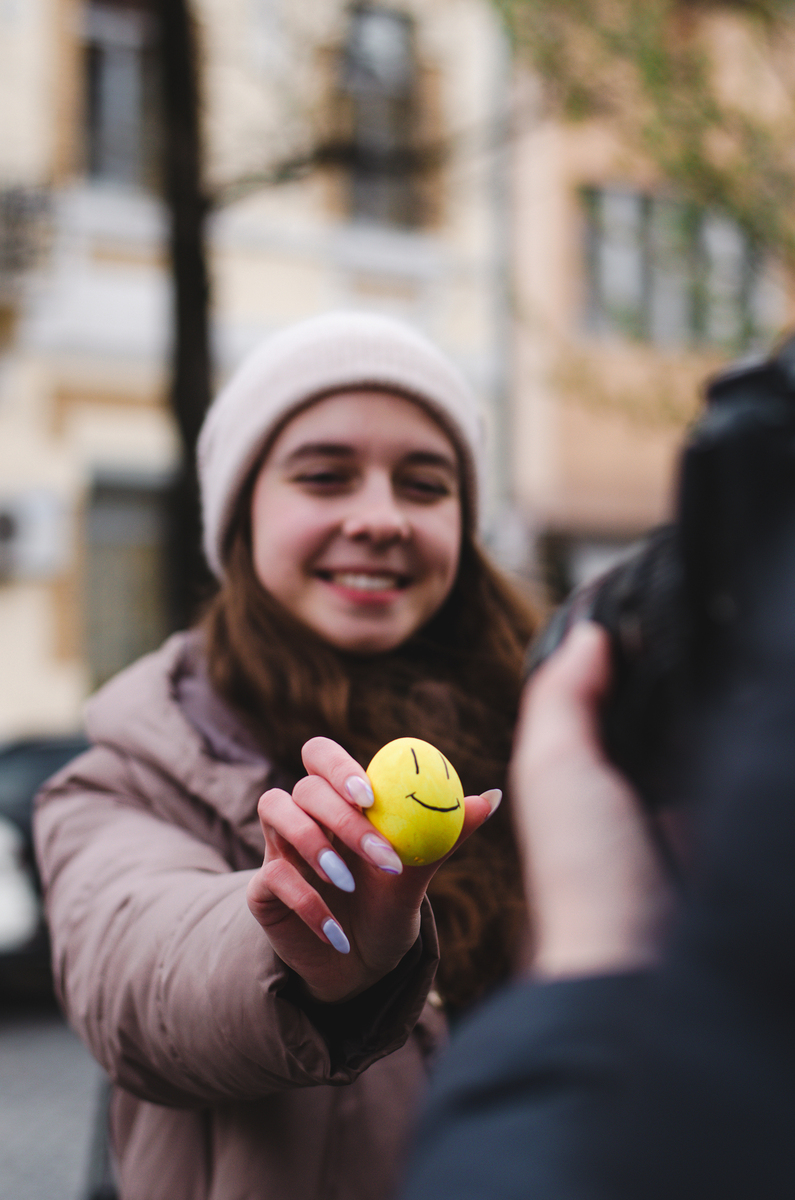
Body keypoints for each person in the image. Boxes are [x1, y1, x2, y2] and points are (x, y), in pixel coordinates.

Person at [34, 311, 536, 1200]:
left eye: (423, 485)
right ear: (242, 511)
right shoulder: (129, 770)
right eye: (324, 476)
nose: (380, 518)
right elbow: (135, 983)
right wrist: (300, 959)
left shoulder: (562, 736)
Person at [401, 617, 795, 1199]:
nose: (379, 523)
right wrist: (311, 961)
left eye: (427, 514)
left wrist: (593, 949)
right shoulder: (220, 748)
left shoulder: (538, 706)